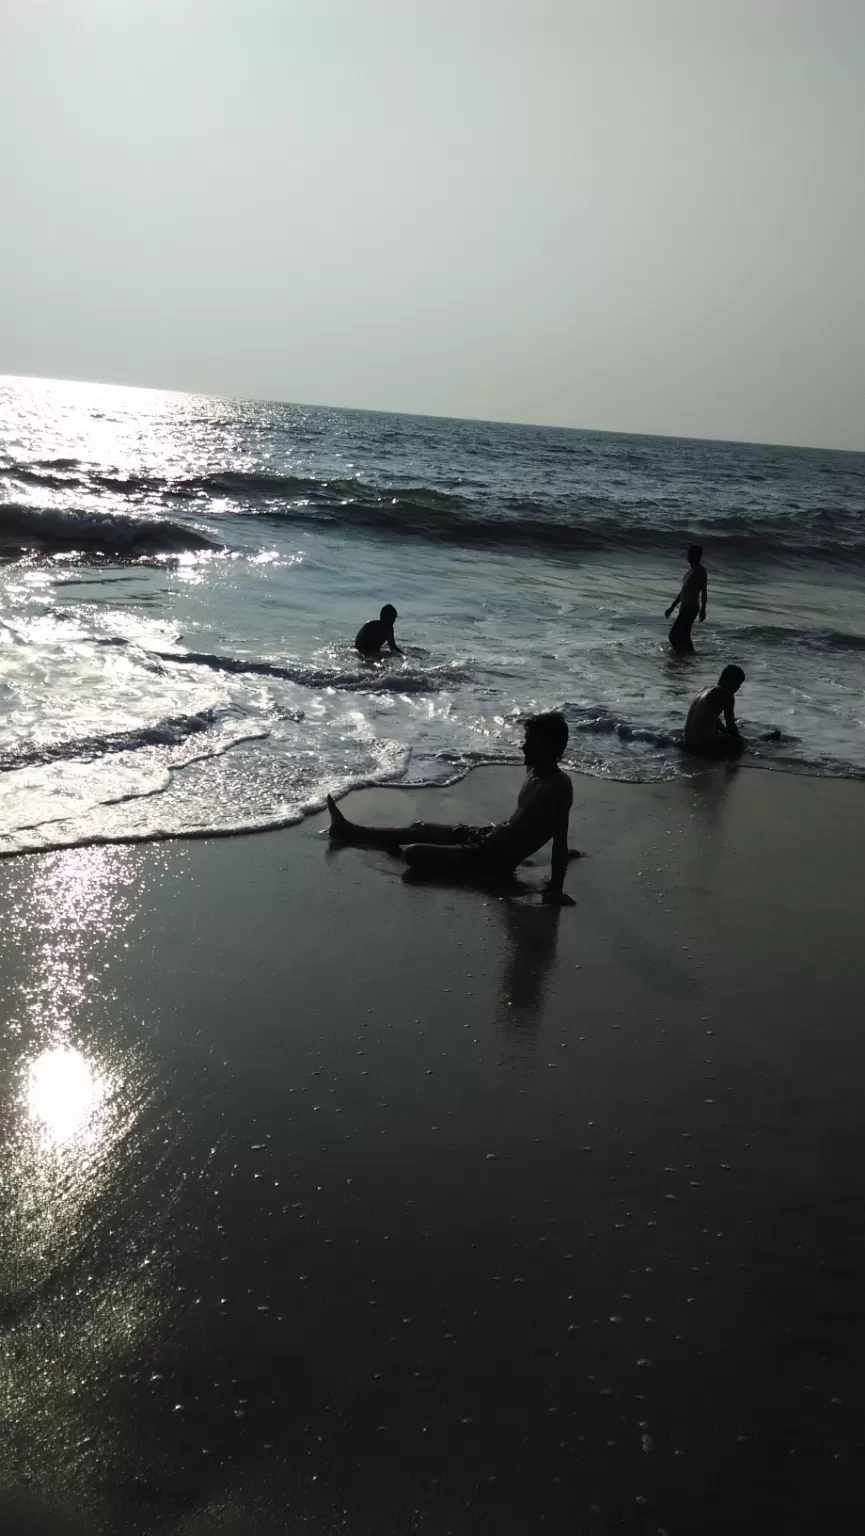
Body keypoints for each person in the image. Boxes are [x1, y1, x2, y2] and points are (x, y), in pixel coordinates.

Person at [326, 711, 576, 904]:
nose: (522, 746)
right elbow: (533, 823)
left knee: (413, 854)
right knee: (419, 827)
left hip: (494, 858)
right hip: (488, 835)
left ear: (549, 748)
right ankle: (348, 830)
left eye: (529, 742)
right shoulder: (533, 772)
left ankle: (448, 857)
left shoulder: (558, 787)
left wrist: (555, 888)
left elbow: (559, 840)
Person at [683, 665, 746, 756]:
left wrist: (724, 730)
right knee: (741, 745)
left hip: (688, 742)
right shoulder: (726, 694)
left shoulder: (705, 689)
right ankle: (731, 767)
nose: (738, 688)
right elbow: (731, 725)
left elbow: (710, 717)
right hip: (699, 746)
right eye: (738, 684)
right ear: (730, 680)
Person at [665, 544, 707, 654]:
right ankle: (686, 655)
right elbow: (683, 592)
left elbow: (704, 591)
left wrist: (703, 609)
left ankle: (685, 654)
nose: (687, 555)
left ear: (695, 556)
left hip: (691, 607)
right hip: (686, 607)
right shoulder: (690, 571)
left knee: (674, 635)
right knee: (683, 635)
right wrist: (672, 607)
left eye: (689, 553)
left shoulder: (700, 571)